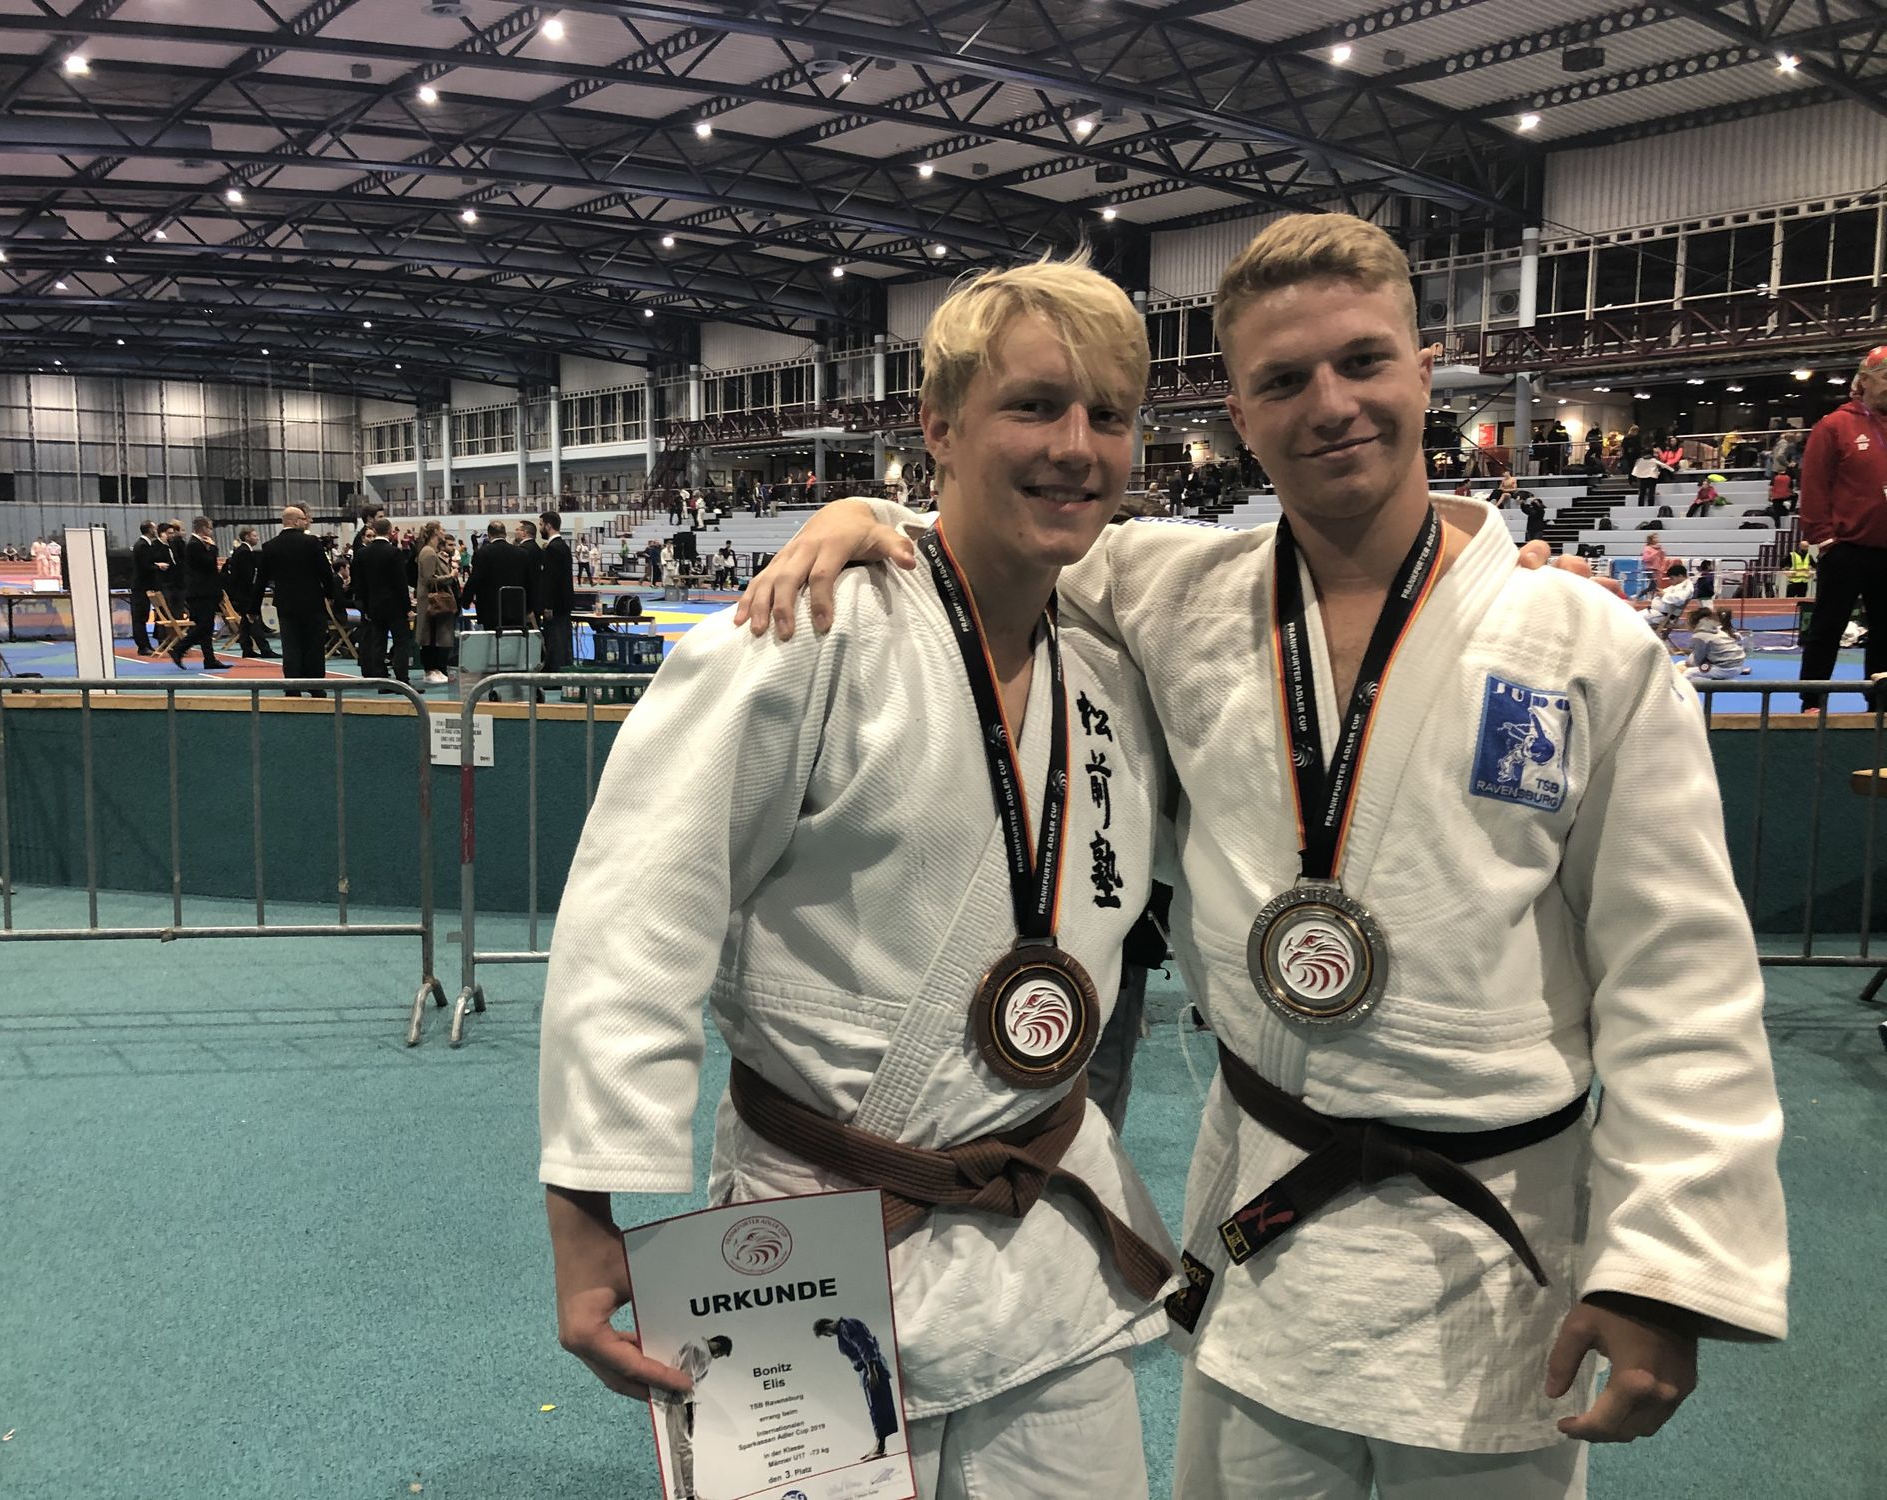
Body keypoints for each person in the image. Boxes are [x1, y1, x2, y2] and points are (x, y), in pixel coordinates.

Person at [745, 211, 1789, 1500]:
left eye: (1363, 361)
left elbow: (1679, 978)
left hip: (1497, 1247)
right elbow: (1005, 523)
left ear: (1425, 371)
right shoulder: (1172, 594)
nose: (1330, 404)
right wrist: (868, 511)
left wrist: (1662, 1268)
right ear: (1238, 413)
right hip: (1271, 1235)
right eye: (1283, 380)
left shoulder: (1583, 648)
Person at [541, 254, 1180, 1500]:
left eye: (1107, 415)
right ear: (936, 426)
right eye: (1033, 405)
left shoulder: (1112, 669)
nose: (1075, 445)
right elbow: (636, 916)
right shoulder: (801, 634)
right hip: (806, 1236)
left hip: (1044, 1242)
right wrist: (582, 1210)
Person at [1797, 345, 1887, 711]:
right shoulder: (1834, 425)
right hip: (1845, 547)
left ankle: (1880, 705)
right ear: (1864, 381)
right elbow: (1814, 485)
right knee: (1827, 628)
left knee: (1886, 632)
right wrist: (1824, 539)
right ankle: (1811, 702)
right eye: (1886, 377)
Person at [259, 505, 339, 698]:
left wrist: (253, 609)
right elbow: (325, 573)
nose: (306, 522)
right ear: (295, 521)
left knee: (291, 647)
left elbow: (261, 580)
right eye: (304, 519)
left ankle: (292, 687)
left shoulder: (270, 546)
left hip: (286, 604)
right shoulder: (311, 542)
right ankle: (315, 686)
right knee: (314, 645)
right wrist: (330, 595)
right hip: (312, 602)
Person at [815, 1317, 899, 1462]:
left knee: (878, 1406)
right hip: (865, 1370)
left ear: (827, 1327)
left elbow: (865, 1345)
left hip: (872, 1369)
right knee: (874, 1407)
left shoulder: (848, 1326)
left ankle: (881, 1446)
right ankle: (879, 1443)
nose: (828, 1335)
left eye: (826, 1333)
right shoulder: (843, 1330)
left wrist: (872, 1371)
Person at [663, 1334, 732, 1500]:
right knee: (682, 1447)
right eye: (721, 1353)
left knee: (680, 1447)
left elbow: (694, 1383)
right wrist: (689, 1412)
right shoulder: (696, 1348)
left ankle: (685, 1492)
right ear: (717, 1344)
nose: (718, 1356)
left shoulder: (705, 1355)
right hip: (679, 1398)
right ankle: (686, 1493)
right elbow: (685, 1379)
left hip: (684, 1400)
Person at [351, 517, 412, 685]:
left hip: (374, 605)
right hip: (395, 606)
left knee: (378, 642)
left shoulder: (362, 553)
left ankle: (381, 679)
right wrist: (407, 607)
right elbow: (400, 583)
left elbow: (359, 583)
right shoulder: (394, 552)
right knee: (401, 642)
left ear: (375, 531)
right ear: (390, 531)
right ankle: (402, 679)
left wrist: (365, 607)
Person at [169, 516, 229, 671]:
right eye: (210, 528)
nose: (211, 531)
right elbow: (208, 564)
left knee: (206, 628)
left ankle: (209, 659)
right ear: (203, 529)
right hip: (201, 592)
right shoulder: (194, 545)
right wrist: (213, 548)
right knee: (204, 625)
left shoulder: (198, 544)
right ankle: (179, 648)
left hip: (201, 592)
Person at [414, 525, 459, 685]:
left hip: (432, 601)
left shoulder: (432, 552)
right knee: (430, 636)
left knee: (435, 636)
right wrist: (450, 576)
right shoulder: (428, 552)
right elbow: (429, 579)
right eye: (441, 529)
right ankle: (430, 669)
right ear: (435, 532)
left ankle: (436, 669)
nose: (444, 532)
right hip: (431, 601)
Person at [467, 519, 531, 631]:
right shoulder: (522, 553)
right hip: (516, 608)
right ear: (505, 534)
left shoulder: (482, 554)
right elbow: (529, 581)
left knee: (492, 640)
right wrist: (529, 607)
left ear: (489, 535)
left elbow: (475, 579)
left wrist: (466, 600)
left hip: (490, 609)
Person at [535, 510, 575, 672]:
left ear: (548, 526)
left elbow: (552, 579)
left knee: (555, 642)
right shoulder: (562, 546)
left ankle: (555, 674)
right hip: (563, 603)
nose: (540, 528)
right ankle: (561, 670)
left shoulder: (553, 549)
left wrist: (548, 605)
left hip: (556, 605)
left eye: (541, 525)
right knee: (562, 642)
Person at [224, 527, 272, 658]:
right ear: (247, 537)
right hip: (245, 593)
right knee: (253, 619)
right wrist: (253, 591)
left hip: (241, 592)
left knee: (245, 623)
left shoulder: (242, 551)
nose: (257, 538)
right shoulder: (244, 552)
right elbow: (247, 576)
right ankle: (265, 648)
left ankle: (246, 648)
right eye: (254, 536)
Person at [130, 521, 168, 654]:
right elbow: (145, 566)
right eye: (154, 528)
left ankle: (145, 644)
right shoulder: (142, 545)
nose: (156, 530)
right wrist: (158, 566)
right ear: (149, 529)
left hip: (144, 586)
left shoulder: (146, 545)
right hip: (141, 586)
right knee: (140, 618)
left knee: (143, 617)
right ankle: (142, 646)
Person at [1681, 606, 1749, 680]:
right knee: (1693, 668)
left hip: (1727, 668)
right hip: (1737, 665)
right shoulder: (1716, 629)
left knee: (1688, 673)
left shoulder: (1700, 636)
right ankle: (1721, 681)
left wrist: (1686, 665)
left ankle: (1721, 683)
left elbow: (1696, 660)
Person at [1639, 562, 1696, 636]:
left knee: (1633, 620)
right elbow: (1669, 593)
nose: (1670, 581)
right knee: (1631, 616)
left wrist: (1664, 595)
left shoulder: (1686, 587)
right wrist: (1661, 592)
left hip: (1662, 616)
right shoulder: (1679, 585)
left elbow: (1679, 599)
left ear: (1680, 576)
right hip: (1655, 613)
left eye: (1672, 578)